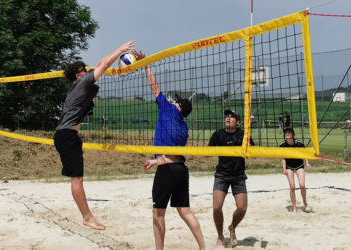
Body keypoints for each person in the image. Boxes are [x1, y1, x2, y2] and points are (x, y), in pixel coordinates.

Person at [53, 41, 136, 230]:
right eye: (85, 69)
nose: (88, 71)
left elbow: (100, 63)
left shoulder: (77, 84)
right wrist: (120, 50)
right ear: (78, 74)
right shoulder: (82, 82)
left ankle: (87, 216)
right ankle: (87, 217)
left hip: (65, 135)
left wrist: (116, 52)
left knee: (77, 178)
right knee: (77, 179)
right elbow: (104, 65)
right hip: (66, 135)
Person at [134, 50, 206, 250]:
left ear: (178, 107)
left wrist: (146, 64)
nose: (173, 101)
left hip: (167, 171)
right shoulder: (184, 127)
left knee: (158, 213)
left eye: (176, 101)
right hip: (180, 169)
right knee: (185, 211)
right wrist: (156, 160)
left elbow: (154, 87)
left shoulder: (168, 110)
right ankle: (203, 247)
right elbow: (173, 155)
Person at [208, 110, 255, 247]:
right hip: (222, 175)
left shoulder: (243, 135)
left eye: (232, 117)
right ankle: (220, 236)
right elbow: (207, 154)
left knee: (242, 208)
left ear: (238, 122)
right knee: (217, 208)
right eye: (227, 117)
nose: (228, 118)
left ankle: (232, 227)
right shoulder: (218, 134)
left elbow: (254, 154)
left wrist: (250, 150)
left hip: (238, 176)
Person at [280, 127, 312, 213]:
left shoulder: (299, 143)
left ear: (293, 135)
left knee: (302, 185)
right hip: (289, 166)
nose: (287, 133)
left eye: (289, 132)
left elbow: (305, 154)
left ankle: (305, 203)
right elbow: (283, 158)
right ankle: (294, 208)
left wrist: (307, 163)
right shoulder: (282, 145)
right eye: (286, 132)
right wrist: (284, 169)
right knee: (292, 187)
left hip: (299, 165)